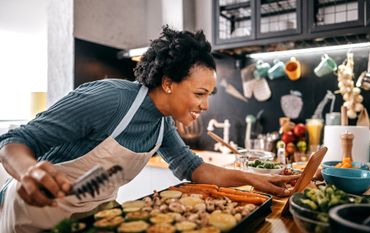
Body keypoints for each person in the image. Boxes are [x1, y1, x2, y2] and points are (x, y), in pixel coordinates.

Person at [0, 26, 299, 232]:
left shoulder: (162, 124)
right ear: (168, 82)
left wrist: (257, 180)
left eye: (209, 95)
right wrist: (29, 171)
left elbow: (195, 169)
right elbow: (14, 141)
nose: (206, 105)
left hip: (96, 219)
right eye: (199, 94)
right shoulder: (111, 98)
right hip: (34, 218)